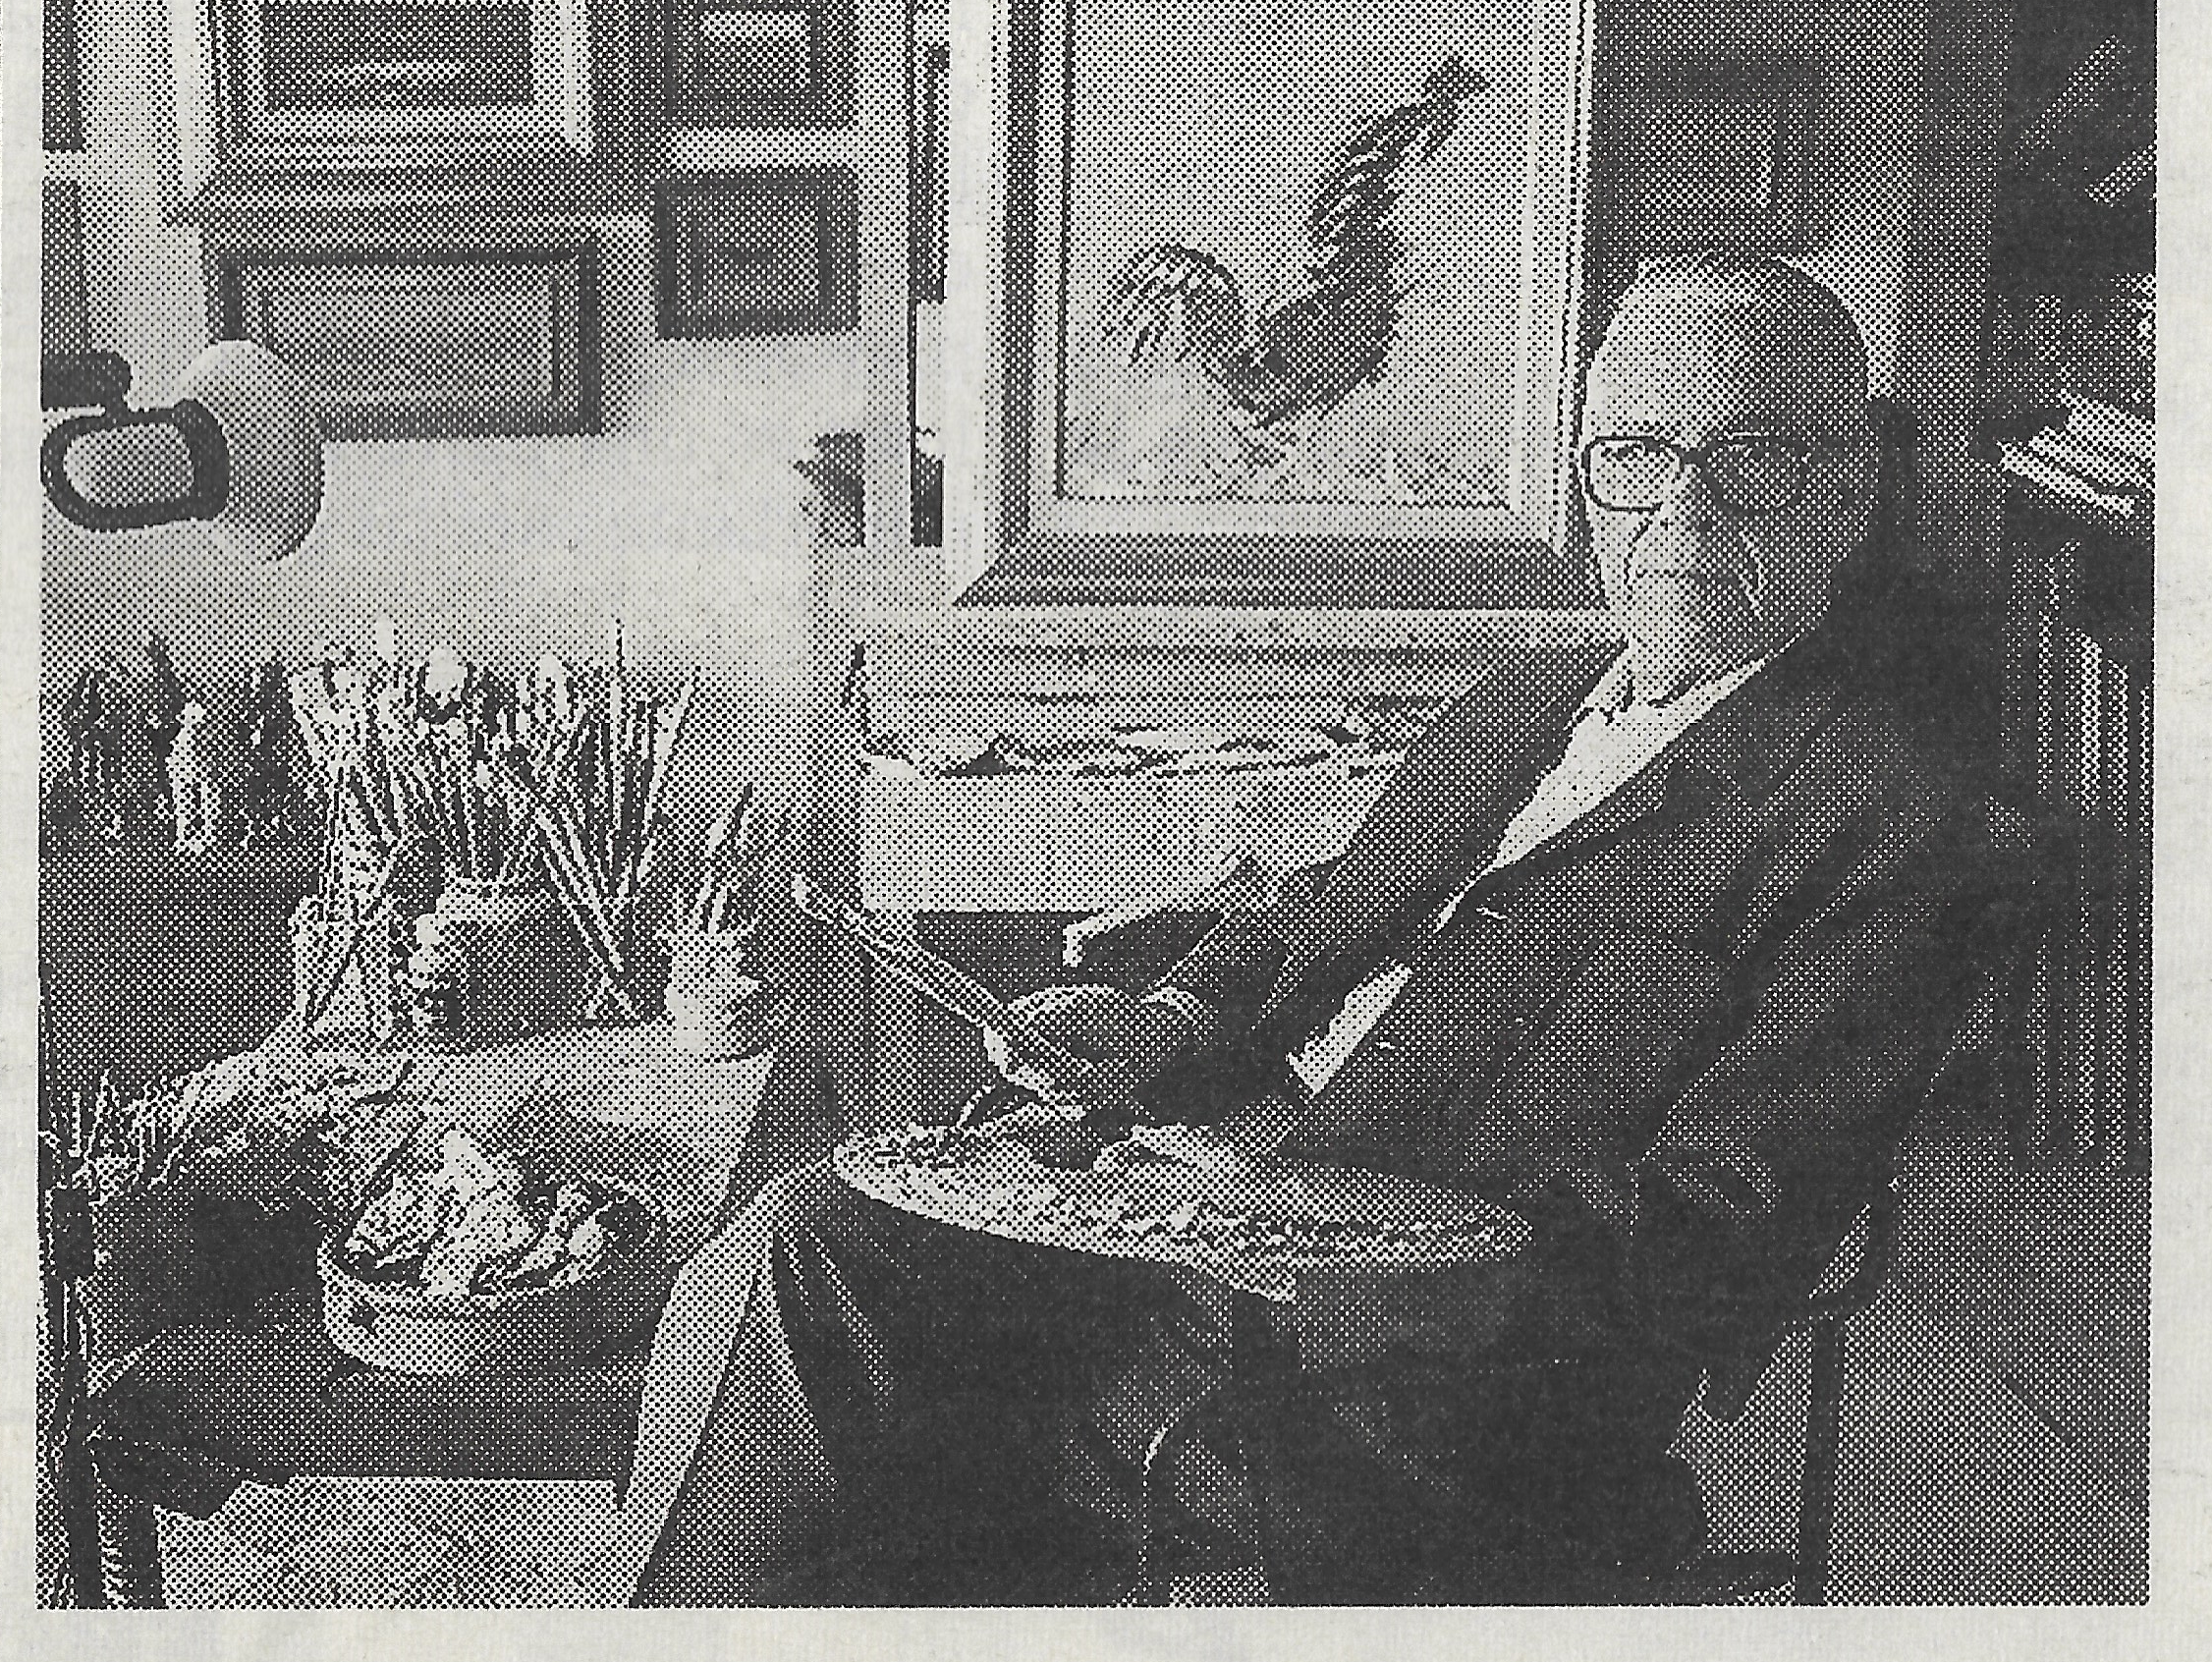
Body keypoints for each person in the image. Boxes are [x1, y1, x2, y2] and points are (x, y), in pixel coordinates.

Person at [597, 253, 2009, 1605]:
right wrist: (1155, 1025)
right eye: (1634, 458)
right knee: (802, 1242)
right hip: (1194, 1207)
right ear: (1588, 487)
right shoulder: (1532, 698)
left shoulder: (1895, 816)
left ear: (1846, 495)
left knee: (849, 1393)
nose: (1680, 515)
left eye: (1748, 458)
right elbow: (1311, 920)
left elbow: (1717, 1228)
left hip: (1408, 1361)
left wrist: (1300, 1211)